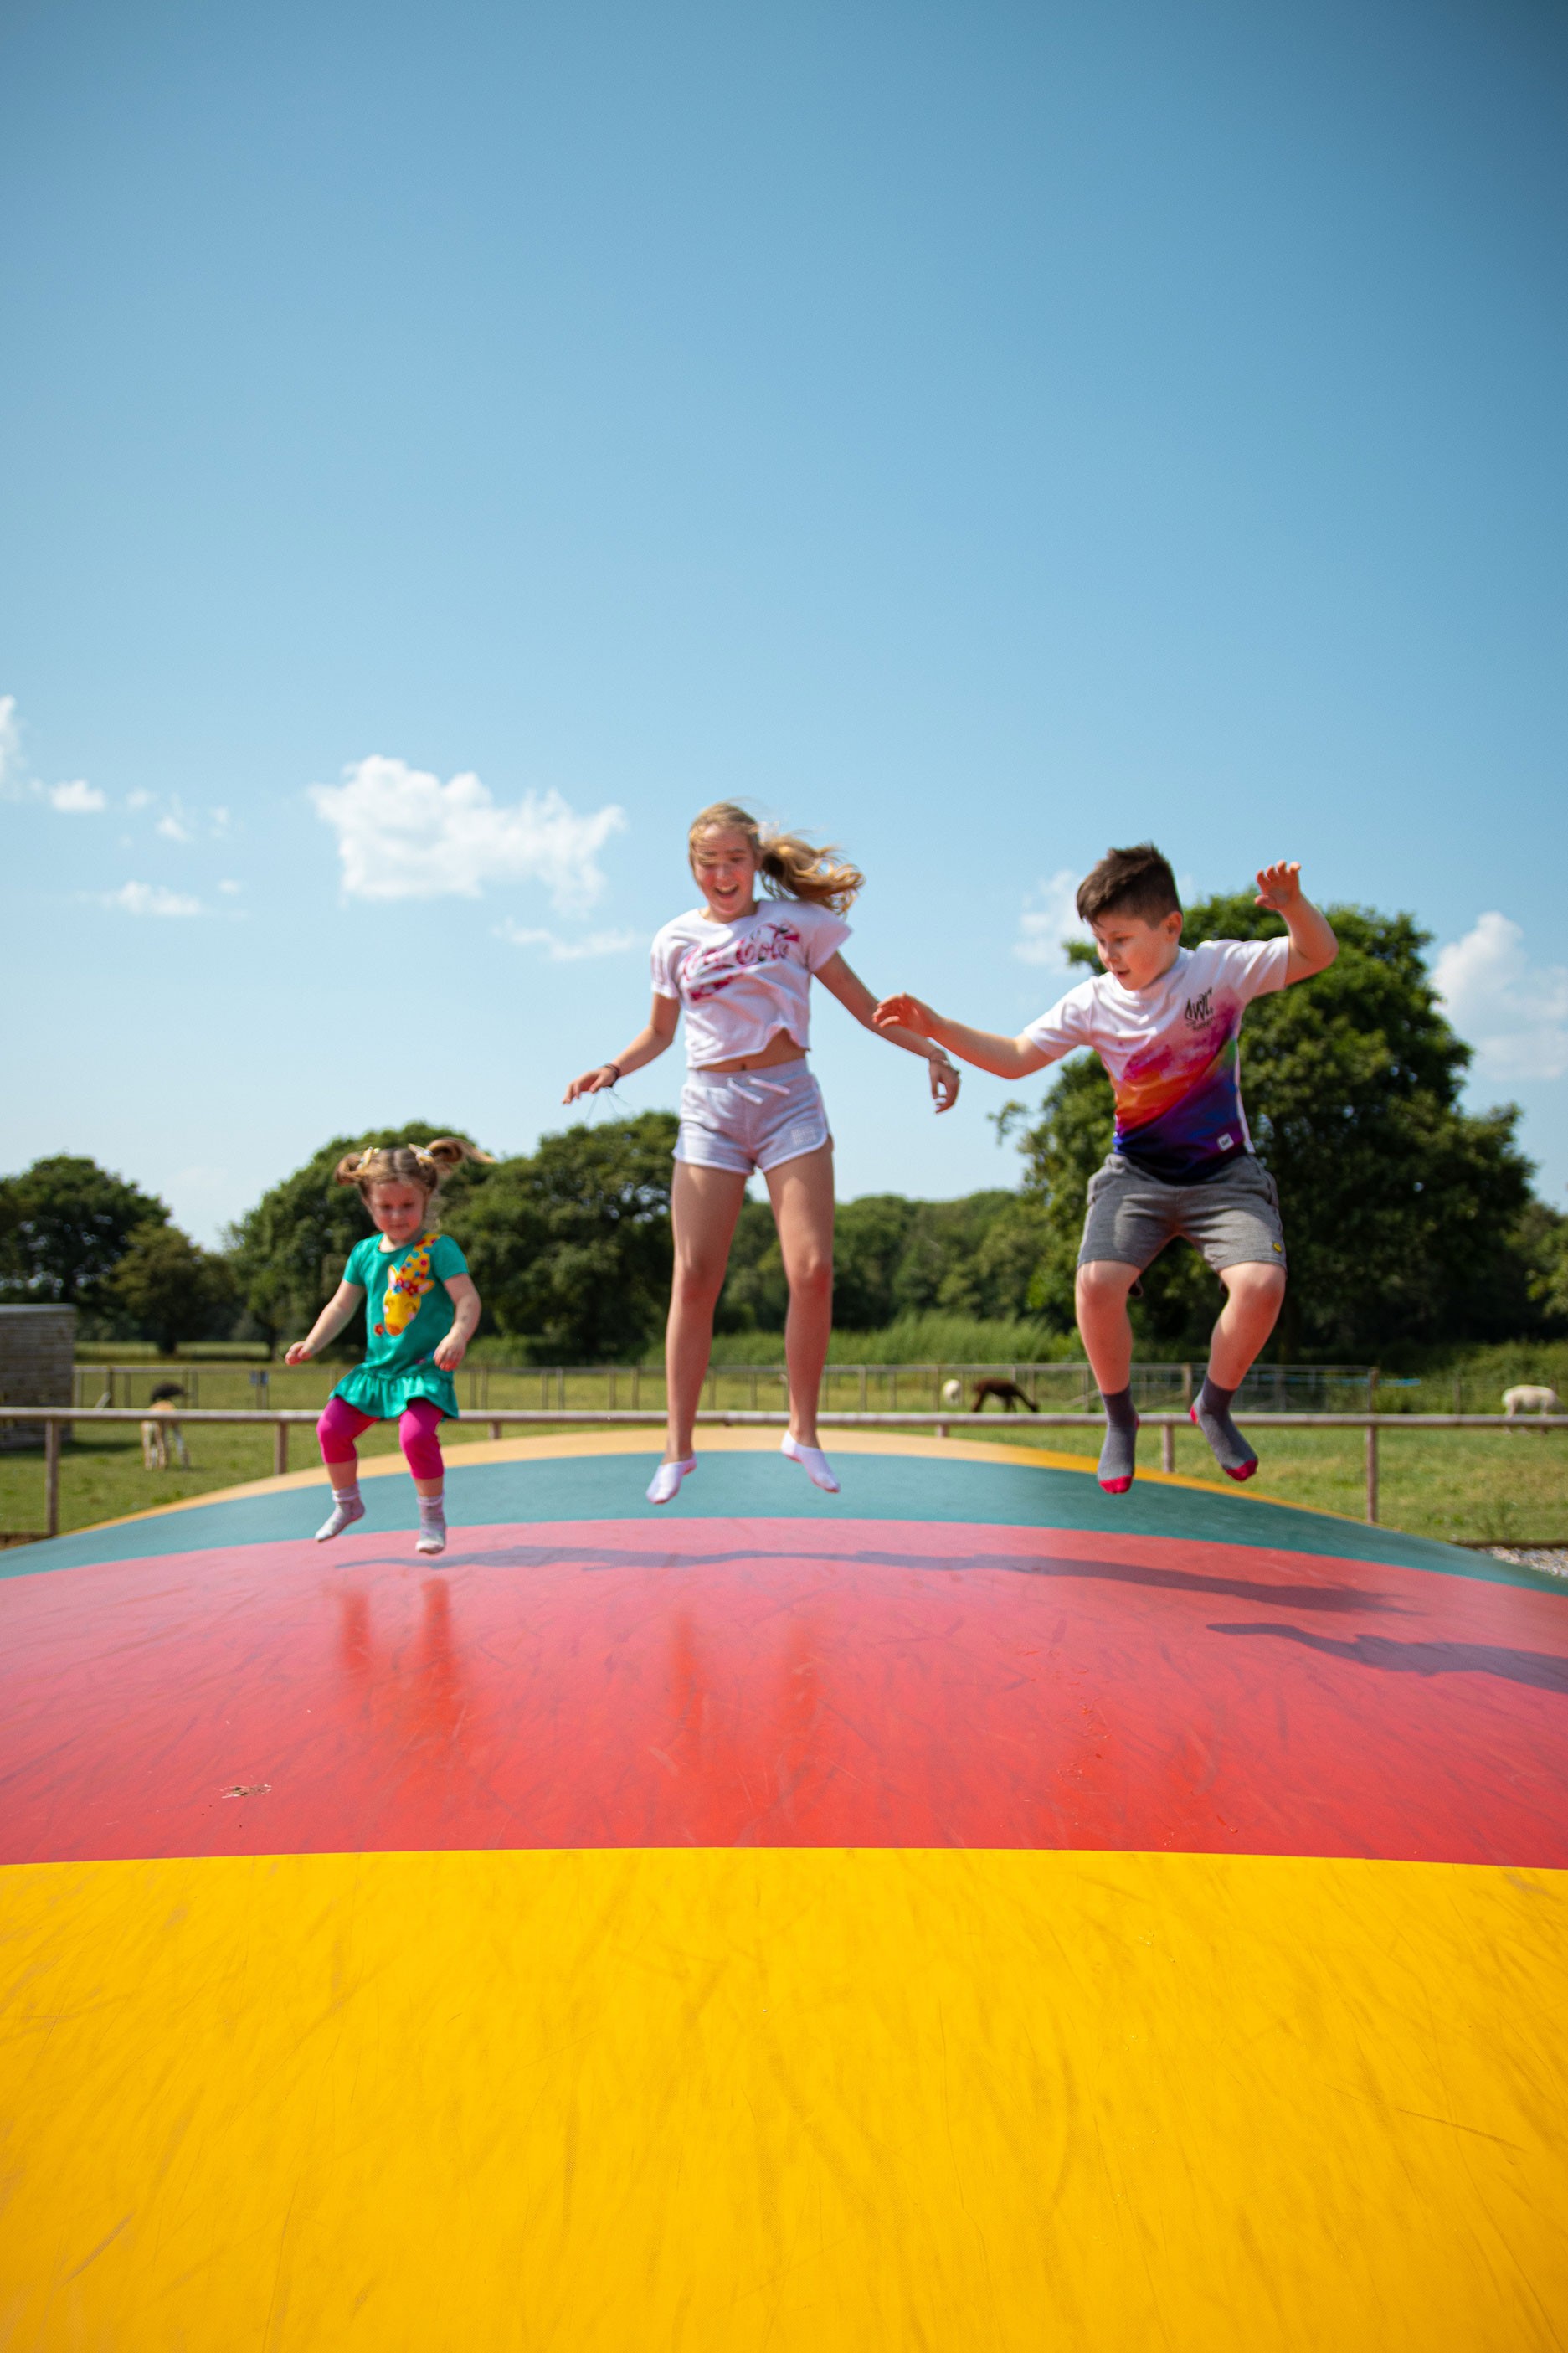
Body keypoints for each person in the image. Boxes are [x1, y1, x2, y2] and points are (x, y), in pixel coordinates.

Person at [875, 844, 1338, 1493]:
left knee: (1261, 1284)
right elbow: (1015, 1057)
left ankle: (1213, 1405)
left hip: (1224, 1176)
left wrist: (1294, 908)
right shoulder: (1092, 1002)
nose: (1108, 955)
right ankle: (1119, 1418)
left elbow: (1316, 955)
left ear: (1170, 927)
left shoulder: (1217, 970)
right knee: (1095, 1283)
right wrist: (937, 1026)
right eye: (1099, 941)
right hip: (1136, 1176)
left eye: (1120, 940)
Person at [564, 801, 962, 1504]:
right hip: (710, 1111)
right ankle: (677, 1447)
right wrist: (614, 1067)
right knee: (695, 1277)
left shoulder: (796, 924)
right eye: (708, 863)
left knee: (812, 1269)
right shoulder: (673, 940)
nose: (722, 874)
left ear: (754, 862)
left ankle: (802, 1431)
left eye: (734, 860)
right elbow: (659, 1032)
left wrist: (931, 1051)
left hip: (789, 1104)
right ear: (692, 867)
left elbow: (862, 1004)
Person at [285, 1138, 491, 1553]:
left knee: (415, 1437)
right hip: (377, 1371)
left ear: (426, 1198)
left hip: (423, 1370)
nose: (397, 1216)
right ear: (367, 1203)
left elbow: (468, 1299)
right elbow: (341, 1304)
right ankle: (347, 1503)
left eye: (407, 1206)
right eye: (386, 1207)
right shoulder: (364, 1252)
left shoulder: (438, 1249)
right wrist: (313, 1342)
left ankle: (432, 1518)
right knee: (330, 1429)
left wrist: (457, 1334)